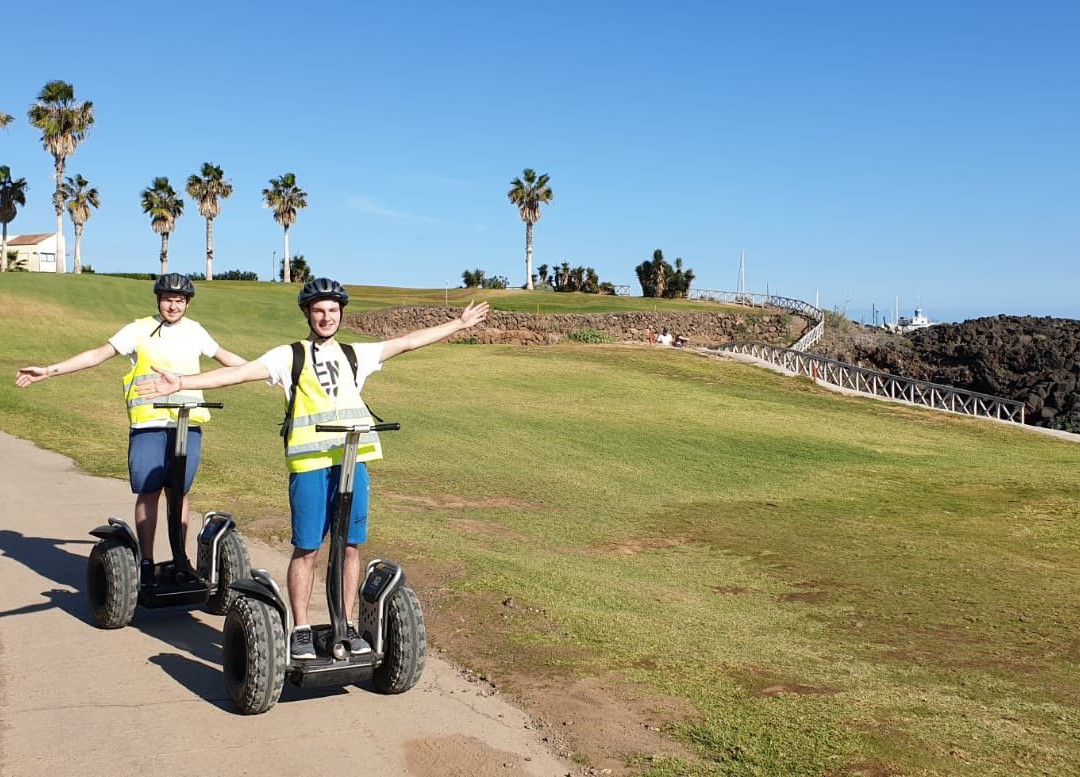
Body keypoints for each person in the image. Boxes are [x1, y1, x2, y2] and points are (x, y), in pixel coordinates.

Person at [137, 277, 489, 661]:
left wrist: (458, 325)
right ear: (307, 313)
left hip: (353, 464)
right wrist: (181, 383)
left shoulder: (356, 355)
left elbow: (406, 342)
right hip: (309, 466)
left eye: (333, 310)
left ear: (341, 314)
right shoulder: (289, 356)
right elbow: (238, 373)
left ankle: (348, 625)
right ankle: (301, 629)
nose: (326, 317)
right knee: (307, 549)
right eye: (319, 310)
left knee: (350, 548)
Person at [15, 273, 247, 585]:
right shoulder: (138, 329)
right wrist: (48, 371)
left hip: (187, 424)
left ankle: (180, 559)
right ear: (158, 300)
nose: (173, 305)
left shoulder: (195, 331)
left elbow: (225, 357)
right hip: (149, 424)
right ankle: (148, 562)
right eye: (168, 299)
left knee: (179, 493)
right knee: (149, 492)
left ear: (187, 303)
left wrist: (263, 372)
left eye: (180, 300)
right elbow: (98, 354)